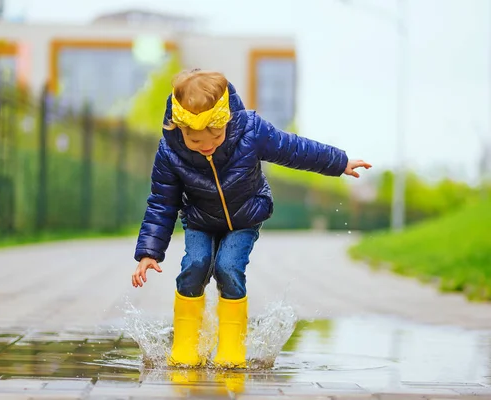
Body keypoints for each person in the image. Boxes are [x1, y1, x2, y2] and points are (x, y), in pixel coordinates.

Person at [131, 69, 371, 368]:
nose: (206, 145)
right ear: (180, 129)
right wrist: (149, 252)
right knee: (195, 264)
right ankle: (186, 344)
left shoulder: (251, 130)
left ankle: (231, 347)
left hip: (245, 216)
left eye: (215, 137)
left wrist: (339, 162)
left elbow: (294, 149)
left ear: (226, 120)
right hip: (200, 220)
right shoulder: (169, 151)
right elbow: (161, 202)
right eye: (195, 141)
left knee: (228, 267)